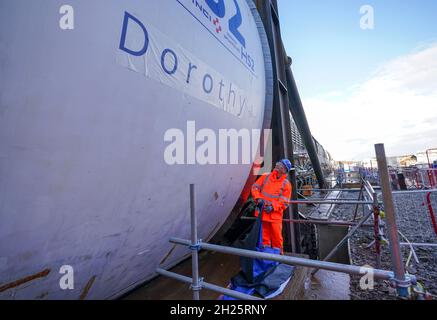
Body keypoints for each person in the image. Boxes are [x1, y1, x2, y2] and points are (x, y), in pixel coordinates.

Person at [251, 159, 292, 254]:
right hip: (262, 214)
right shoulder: (265, 177)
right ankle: (266, 258)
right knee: (264, 238)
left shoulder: (286, 185)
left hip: (274, 216)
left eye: (281, 165)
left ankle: (277, 257)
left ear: (285, 170)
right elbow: (255, 187)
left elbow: (285, 202)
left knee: (277, 238)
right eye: (278, 163)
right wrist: (258, 198)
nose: (277, 165)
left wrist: (273, 207)